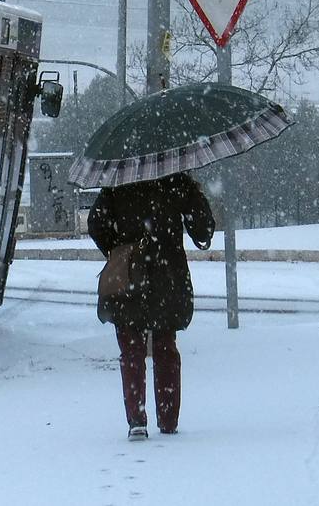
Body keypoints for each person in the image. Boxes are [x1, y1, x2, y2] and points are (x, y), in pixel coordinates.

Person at [87, 171, 216, 441]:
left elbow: (96, 223)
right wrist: (193, 198)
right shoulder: (175, 179)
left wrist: (119, 248)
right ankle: (168, 420)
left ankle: (137, 419)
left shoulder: (119, 179)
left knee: (131, 348)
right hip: (167, 274)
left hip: (129, 272)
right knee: (165, 345)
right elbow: (202, 229)